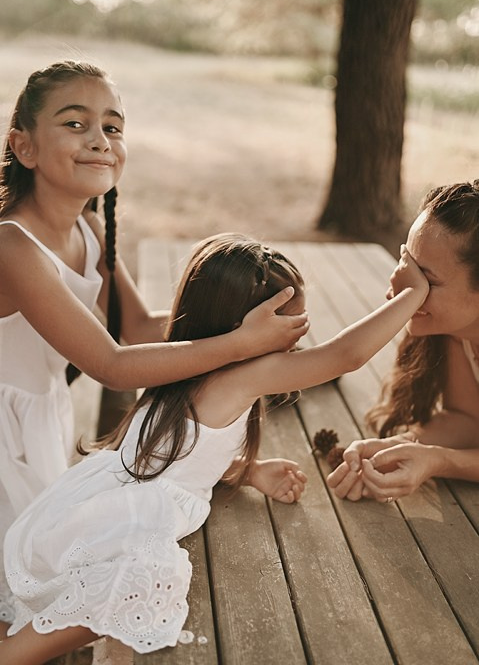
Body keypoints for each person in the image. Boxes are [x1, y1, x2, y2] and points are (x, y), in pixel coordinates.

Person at [0, 231, 429, 663]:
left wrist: (248, 468)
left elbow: (174, 460)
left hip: (103, 503)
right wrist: (413, 293)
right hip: (126, 526)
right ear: (243, 327)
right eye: (289, 321)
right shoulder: (240, 378)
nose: (302, 330)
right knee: (132, 588)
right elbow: (346, 356)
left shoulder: (186, 359)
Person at [0, 61, 309, 630]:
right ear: (23, 147)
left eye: (113, 128)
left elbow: (139, 328)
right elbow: (114, 366)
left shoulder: (87, 227)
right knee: (39, 591)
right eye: (75, 124)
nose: (100, 140)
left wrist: (249, 327)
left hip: (39, 418)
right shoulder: (13, 245)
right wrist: (239, 343)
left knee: (55, 580)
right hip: (4, 428)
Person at [327, 181, 479, 503]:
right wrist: (400, 447)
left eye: (425, 280)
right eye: (405, 262)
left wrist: (438, 460)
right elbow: (468, 421)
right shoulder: (459, 334)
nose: (402, 290)